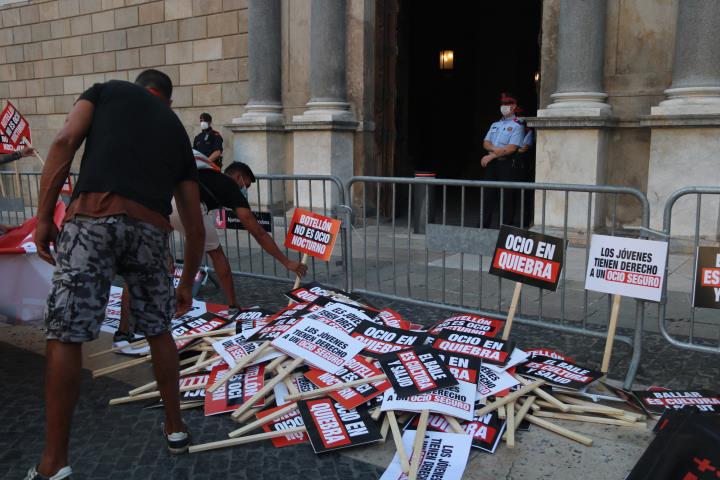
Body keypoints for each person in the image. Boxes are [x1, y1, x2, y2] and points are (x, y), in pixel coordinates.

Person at [29, 69, 205, 479]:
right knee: (159, 330)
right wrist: (185, 283)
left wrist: (43, 218)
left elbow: (63, 141)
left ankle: (53, 462)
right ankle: (175, 427)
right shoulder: (176, 129)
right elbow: (193, 225)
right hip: (151, 231)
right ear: (168, 99)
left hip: (93, 218)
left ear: (140, 86)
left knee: (67, 331)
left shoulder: (106, 92)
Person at [113, 161, 309, 352]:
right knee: (216, 254)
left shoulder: (205, 172)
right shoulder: (230, 186)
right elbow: (257, 231)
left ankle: (122, 334)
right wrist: (286, 261)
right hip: (187, 205)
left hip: (158, 201)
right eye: (246, 185)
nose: (245, 190)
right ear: (239, 177)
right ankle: (233, 306)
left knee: (140, 267)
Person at [481, 92, 526, 228]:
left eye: (507, 104)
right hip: (492, 165)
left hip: (506, 164)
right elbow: (486, 143)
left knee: (507, 197)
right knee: (488, 195)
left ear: (514, 106)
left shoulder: (518, 125)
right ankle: (484, 225)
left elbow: (512, 148)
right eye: (502, 104)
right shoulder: (495, 124)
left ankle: (505, 227)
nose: (504, 107)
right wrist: (496, 152)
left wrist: (492, 155)